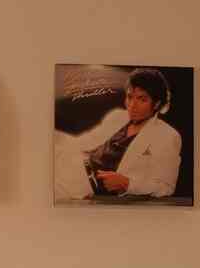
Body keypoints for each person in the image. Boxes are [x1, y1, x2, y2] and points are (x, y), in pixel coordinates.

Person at [55, 68, 182, 200]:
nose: (132, 105)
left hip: (84, 187)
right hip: (71, 164)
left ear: (157, 104)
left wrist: (128, 184)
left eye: (142, 99)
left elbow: (165, 187)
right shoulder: (118, 116)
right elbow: (83, 142)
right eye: (130, 97)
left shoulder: (167, 135)